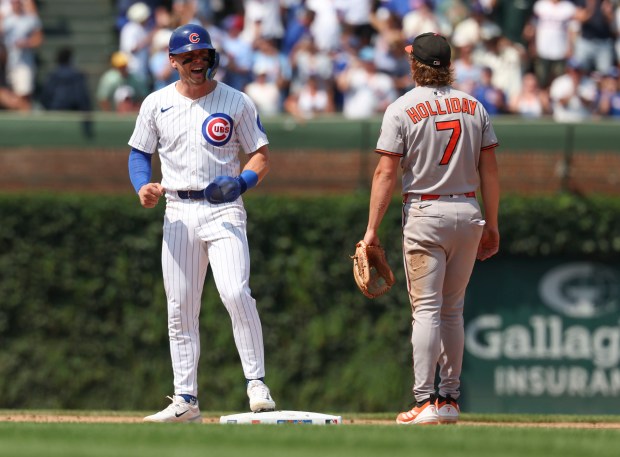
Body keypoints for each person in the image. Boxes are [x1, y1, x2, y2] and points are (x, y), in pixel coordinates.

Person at [127, 23, 276, 423]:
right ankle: (186, 399)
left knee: (235, 292)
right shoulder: (155, 103)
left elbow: (261, 155)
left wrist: (242, 182)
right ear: (173, 60)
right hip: (177, 209)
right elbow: (139, 154)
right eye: (189, 57)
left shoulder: (236, 101)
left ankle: (257, 383)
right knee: (180, 307)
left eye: (203, 55)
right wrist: (143, 186)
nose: (197, 62)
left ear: (212, 58)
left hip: (223, 209)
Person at [359, 32, 500, 425]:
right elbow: (489, 171)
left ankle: (424, 402)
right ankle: (450, 401)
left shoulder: (401, 108)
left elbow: (386, 172)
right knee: (453, 310)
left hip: (425, 211)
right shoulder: (474, 106)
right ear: (448, 64)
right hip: (468, 211)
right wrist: (493, 224)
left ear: (414, 64)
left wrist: (371, 229)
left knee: (426, 311)